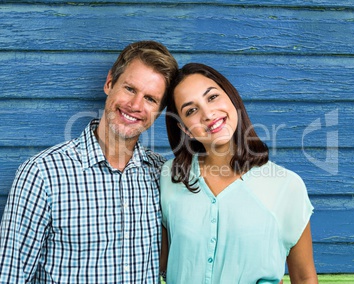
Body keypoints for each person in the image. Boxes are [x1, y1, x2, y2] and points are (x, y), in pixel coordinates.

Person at [0, 40, 178, 283]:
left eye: (150, 99)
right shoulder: (42, 173)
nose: (135, 106)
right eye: (129, 89)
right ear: (109, 83)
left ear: (159, 110)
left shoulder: (162, 174)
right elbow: (10, 275)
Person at [160, 63, 318, 283]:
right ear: (185, 129)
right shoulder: (170, 177)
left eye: (212, 97)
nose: (208, 114)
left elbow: (304, 278)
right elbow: (160, 263)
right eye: (191, 110)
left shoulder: (287, 186)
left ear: (231, 98)